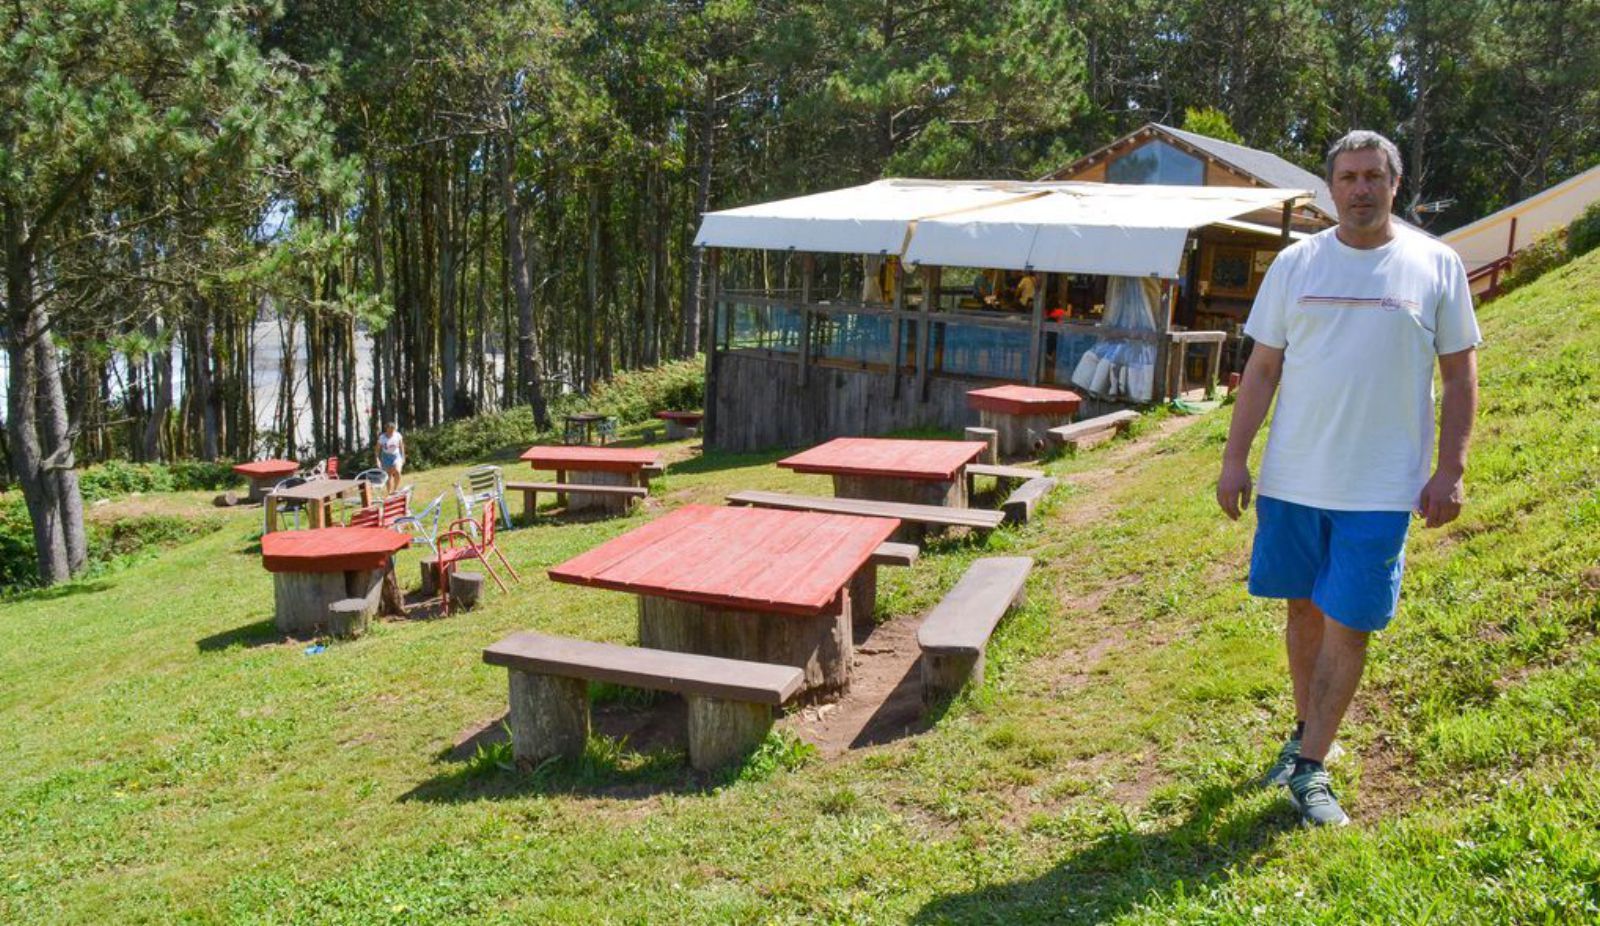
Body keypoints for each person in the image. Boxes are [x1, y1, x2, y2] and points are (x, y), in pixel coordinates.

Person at [1215, 130, 1480, 827]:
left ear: (1396, 185)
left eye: (1373, 177)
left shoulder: (1436, 265)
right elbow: (1263, 369)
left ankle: (1309, 768)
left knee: (1351, 623)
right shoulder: (1296, 264)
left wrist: (1450, 470)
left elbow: (1459, 377)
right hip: (1293, 479)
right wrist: (1234, 459)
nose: (1360, 188)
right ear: (1329, 188)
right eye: (1347, 177)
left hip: (1381, 489)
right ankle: (1308, 740)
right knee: (1302, 610)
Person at [375, 423, 405, 495]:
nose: (391, 431)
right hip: (386, 457)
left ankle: (395, 489)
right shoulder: (382, 437)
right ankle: (389, 492)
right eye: (390, 430)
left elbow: (401, 446)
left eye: (393, 430)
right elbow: (377, 450)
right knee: (388, 475)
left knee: (397, 471)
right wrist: (377, 460)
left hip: (396, 455)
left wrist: (403, 457)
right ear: (387, 429)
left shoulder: (398, 435)